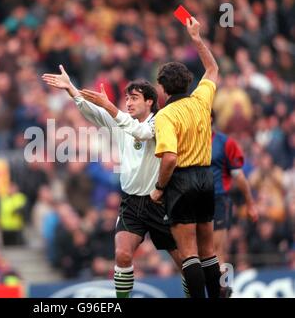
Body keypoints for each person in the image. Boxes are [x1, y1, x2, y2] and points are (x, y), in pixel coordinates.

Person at [42, 66, 185, 298]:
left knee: (184, 261)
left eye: (134, 98)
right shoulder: (122, 122)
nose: (128, 103)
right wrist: (72, 90)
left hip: (159, 200)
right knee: (122, 255)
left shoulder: (160, 121)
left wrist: (109, 106)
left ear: (150, 101)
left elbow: (141, 133)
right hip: (131, 203)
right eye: (127, 98)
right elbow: (94, 113)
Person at [148, 17, 220, 298]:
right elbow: (213, 68)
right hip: (206, 177)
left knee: (188, 253)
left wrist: (159, 188)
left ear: (163, 89)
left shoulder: (165, 115)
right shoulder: (201, 101)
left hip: (182, 181)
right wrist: (196, 38)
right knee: (209, 251)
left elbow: (169, 159)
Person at [211, 110, 258, 296]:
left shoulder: (225, 143)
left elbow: (238, 176)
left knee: (218, 250)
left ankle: (224, 289)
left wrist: (250, 203)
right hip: (193, 201)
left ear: (210, 119)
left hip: (218, 199)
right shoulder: (189, 141)